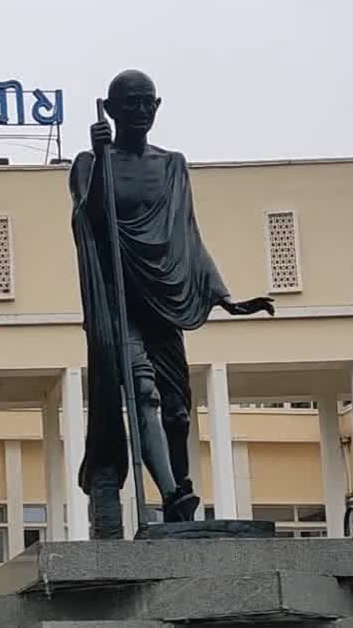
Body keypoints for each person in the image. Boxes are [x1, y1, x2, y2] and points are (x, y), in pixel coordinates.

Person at [69, 69, 275, 539]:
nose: (141, 111)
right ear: (111, 107)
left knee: (177, 413)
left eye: (148, 103)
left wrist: (224, 297)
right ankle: (172, 494)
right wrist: (101, 157)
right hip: (119, 302)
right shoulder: (88, 161)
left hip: (163, 300)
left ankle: (179, 500)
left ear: (157, 106)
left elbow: (188, 237)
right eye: (131, 103)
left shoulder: (172, 165)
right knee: (143, 393)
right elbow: (91, 215)